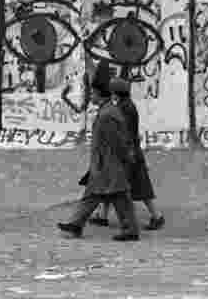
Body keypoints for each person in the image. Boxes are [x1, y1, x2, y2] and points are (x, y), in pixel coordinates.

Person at [57, 65, 140, 241]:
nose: (91, 96)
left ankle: (130, 230)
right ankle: (75, 225)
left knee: (118, 196)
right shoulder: (107, 110)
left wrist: (125, 159)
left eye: (93, 93)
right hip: (104, 163)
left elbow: (117, 141)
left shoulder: (108, 114)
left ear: (99, 94)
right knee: (94, 195)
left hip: (109, 163)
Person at [91, 77, 164, 230]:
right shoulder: (128, 106)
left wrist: (124, 152)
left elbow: (123, 133)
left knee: (134, 186)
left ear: (115, 93)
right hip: (131, 151)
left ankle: (156, 216)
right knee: (118, 183)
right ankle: (103, 215)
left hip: (129, 153)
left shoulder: (124, 109)